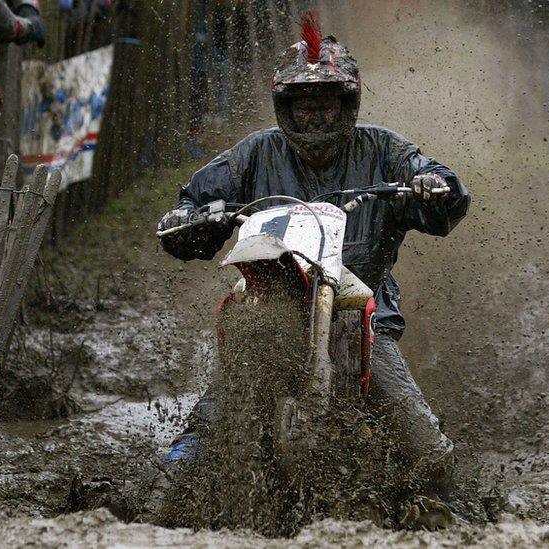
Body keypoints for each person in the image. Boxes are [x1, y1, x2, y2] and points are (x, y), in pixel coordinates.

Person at [156, 13, 470, 528]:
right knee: (210, 415)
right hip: (270, 303)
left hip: (361, 305)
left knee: (420, 435)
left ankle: (456, 510)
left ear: (347, 105)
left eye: (326, 107)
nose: (316, 120)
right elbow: (197, 201)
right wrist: (189, 219)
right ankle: (162, 499)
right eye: (304, 108)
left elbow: (439, 185)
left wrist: (434, 187)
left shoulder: (383, 149)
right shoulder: (256, 153)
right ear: (285, 109)